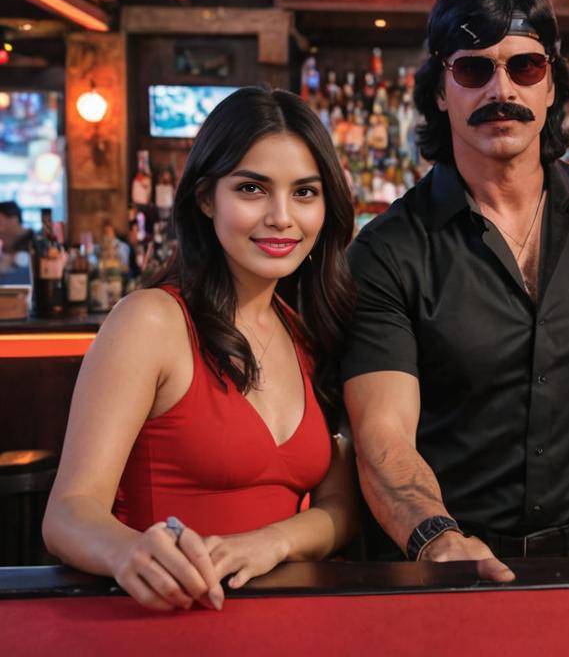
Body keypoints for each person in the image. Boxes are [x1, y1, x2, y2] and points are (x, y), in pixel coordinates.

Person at [341, 0, 569, 580]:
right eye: (473, 70)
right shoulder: (388, 251)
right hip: (451, 566)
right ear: (440, 91)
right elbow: (383, 435)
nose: (500, 89)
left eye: (525, 67)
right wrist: (434, 537)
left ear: (552, 84)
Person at [43, 87, 360, 611]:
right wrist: (128, 552)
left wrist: (273, 541)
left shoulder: (307, 330)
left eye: (305, 192)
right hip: (171, 619)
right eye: (253, 189)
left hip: (289, 625)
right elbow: (69, 512)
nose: (282, 217)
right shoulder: (150, 321)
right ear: (206, 197)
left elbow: (341, 505)